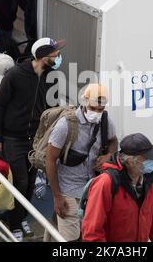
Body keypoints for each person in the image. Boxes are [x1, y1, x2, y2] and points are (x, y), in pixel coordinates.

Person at [0, 37, 64, 239]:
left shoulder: (53, 77)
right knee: (21, 181)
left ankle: (21, 215)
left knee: (31, 181)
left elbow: (53, 109)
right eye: (55, 55)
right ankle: (13, 223)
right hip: (13, 138)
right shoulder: (14, 75)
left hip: (37, 139)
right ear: (41, 57)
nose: (58, 58)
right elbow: (0, 107)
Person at [46, 84, 119, 242]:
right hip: (68, 188)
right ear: (85, 102)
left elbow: (114, 141)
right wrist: (57, 196)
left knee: (89, 233)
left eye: (101, 109)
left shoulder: (105, 122)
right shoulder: (65, 125)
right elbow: (50, 160)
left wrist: (109, 155)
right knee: (71, 239)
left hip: (91, 189)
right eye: (94, 108)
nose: (97, 113)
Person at [81, 133, 153, 242]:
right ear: (130, 161)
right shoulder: (106, 183)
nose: (152, 162)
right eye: (146, 158)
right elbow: (92, 232)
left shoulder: (151, 175)